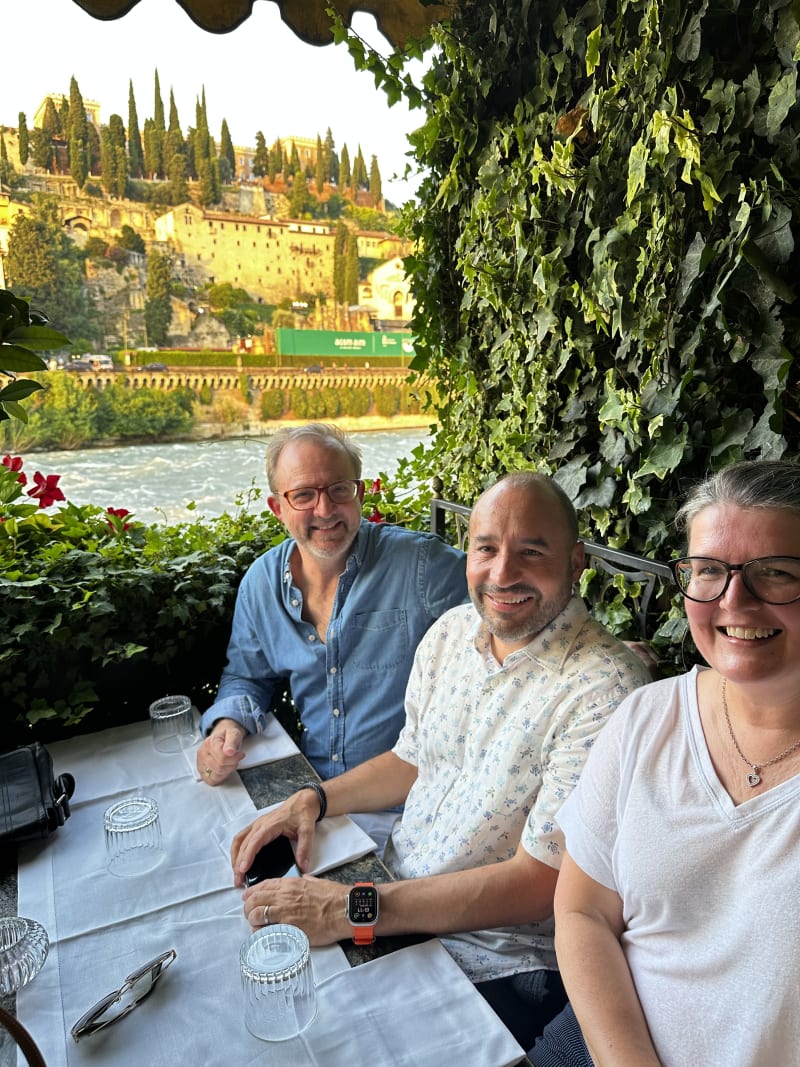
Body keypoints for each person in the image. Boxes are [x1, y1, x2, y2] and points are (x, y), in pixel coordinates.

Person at [230, 471, 651, 1048]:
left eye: (533, 551)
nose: (502, 573)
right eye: (487, 548)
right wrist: (313, 799)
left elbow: (542, 881)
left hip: (495, 960)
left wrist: (351, 909)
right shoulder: (453, 632)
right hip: (394, 894)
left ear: (576, 560)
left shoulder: (605, 691)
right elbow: (412, 760)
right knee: (250, 992)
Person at [530, 459, 800, 1067]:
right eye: (707, 571)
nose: (734, 600)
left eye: (775, 573)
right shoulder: (646, 719)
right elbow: (582, 911)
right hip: (594, 1044)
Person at [196, 423, 469, 789]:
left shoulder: (420, 564)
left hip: (414, 800)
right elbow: (247, 675)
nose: (325, 510)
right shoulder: (261, 584)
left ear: (359, 494)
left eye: (340, 489)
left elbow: (503, 613)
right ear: (278, 507)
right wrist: (227, 724)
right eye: (304, 495)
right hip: (312, 789)